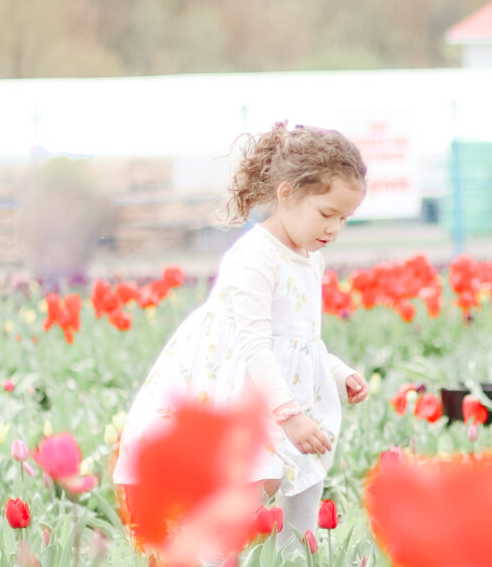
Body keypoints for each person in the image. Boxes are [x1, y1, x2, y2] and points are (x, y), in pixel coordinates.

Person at [115, 122, 369, 537]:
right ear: (286, 193)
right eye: (327, 214)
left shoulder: (309, 257)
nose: (334, 229)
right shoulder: (255, 256)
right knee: (247, 494)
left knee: (304, 487)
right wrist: (289, 416)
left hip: (294, 393)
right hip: (249, 395)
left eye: (345, 219)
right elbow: (255, 345)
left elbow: (301, 337)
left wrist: (339, 372)